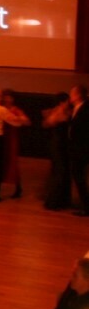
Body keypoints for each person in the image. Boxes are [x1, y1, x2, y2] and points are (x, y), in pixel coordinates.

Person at [43, 92, 72, 211]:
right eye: (67, 101)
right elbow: (47, 123)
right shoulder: (58, 111)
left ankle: (61, 201)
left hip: (62, 144)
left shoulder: (62, 111)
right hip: (58, 144)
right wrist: (55, 116)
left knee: (62, 172)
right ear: (62, 102)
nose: (69, 102)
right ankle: (53, 202)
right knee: (59, 172)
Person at [1, 89, 31, 199]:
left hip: (11, 139)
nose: (7, 99)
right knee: (0, 162)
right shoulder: (0, 109)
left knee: (12, 162)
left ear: (12, 99)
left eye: (9, 97)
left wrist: (16, 118)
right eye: (5, 97)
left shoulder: (15, 110)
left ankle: (18, 188)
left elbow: (27, 121)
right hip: (1, 138)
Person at [68, 84, 89, 217]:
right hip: (78, 148)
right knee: (79, 177)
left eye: (72, 93)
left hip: (82, 149)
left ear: (78, 95)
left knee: (79, 176)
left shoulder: (85, 109)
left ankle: (87, 207)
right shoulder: (76, 108)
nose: (70, 96)